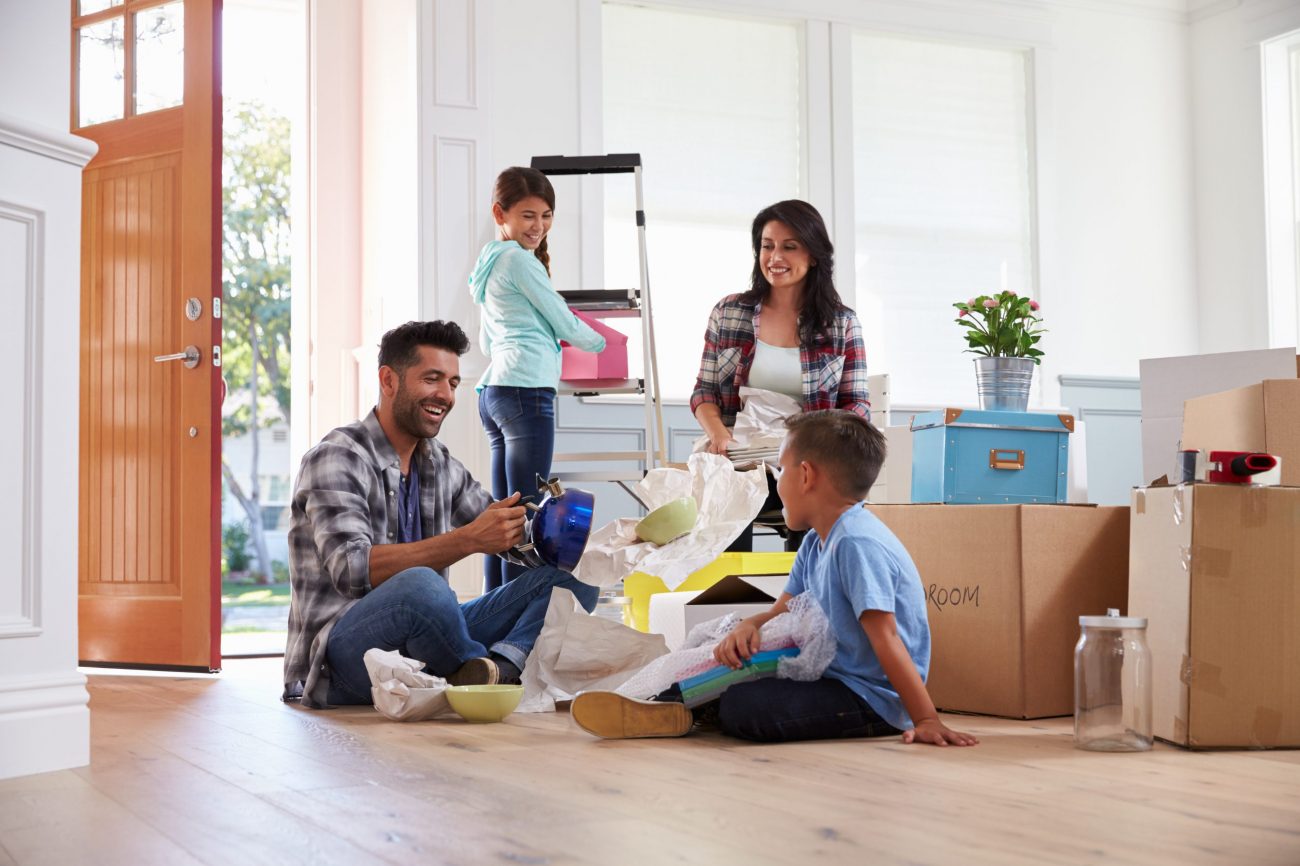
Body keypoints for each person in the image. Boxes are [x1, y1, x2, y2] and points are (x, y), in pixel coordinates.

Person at [570, 410, 978, 747]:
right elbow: (781, 611)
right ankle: (661, 699)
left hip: (871, 699)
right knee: (729, 663)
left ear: (805, 476)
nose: (775, 481)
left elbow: (886, 636)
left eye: (778, 470)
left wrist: (924, 718)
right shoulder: (818, 542)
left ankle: (669, 706)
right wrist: (750, 626)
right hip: (831, 675)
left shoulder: (856, 543)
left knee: (745, 708)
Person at [282, 320, 598, 709]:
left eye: (453, 383)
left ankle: (495, 669)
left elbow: (501, 531)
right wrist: (468, 540)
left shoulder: (437, 462)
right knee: (421, 586)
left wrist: (555, 532)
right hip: (341, 663)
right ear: (388, 380)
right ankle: (471, 669)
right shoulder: (338, 456)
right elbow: (351, 569)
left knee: (574, 581)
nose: (445, 395)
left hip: (421, 646)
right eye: (432, 379)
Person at [689, 200, 869, 552]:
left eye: (790, 246)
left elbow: (857, 405)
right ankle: (727, 595)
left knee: (812, 489)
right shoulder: (729, 312)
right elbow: (704, 392)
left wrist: (815, 443)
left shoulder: (842, 323)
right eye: (767, 246)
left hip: (806, 461)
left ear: (814, 254)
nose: (775, 257)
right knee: (723, 488)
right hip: (738, 456)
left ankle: (803, 596)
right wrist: (719, 435)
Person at [470, 166, 606, 592]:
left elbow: (487, 341)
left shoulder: (490, 262)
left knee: (504, 517)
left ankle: (490, 613)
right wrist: (600, 341)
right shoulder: (519, 261)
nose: (539, 226)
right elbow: (563, 320)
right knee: (528, 515)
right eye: (528, 215)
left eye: (546, 215)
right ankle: (515, 622)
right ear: (501, 213)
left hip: (495, 392)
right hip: (525, 392)